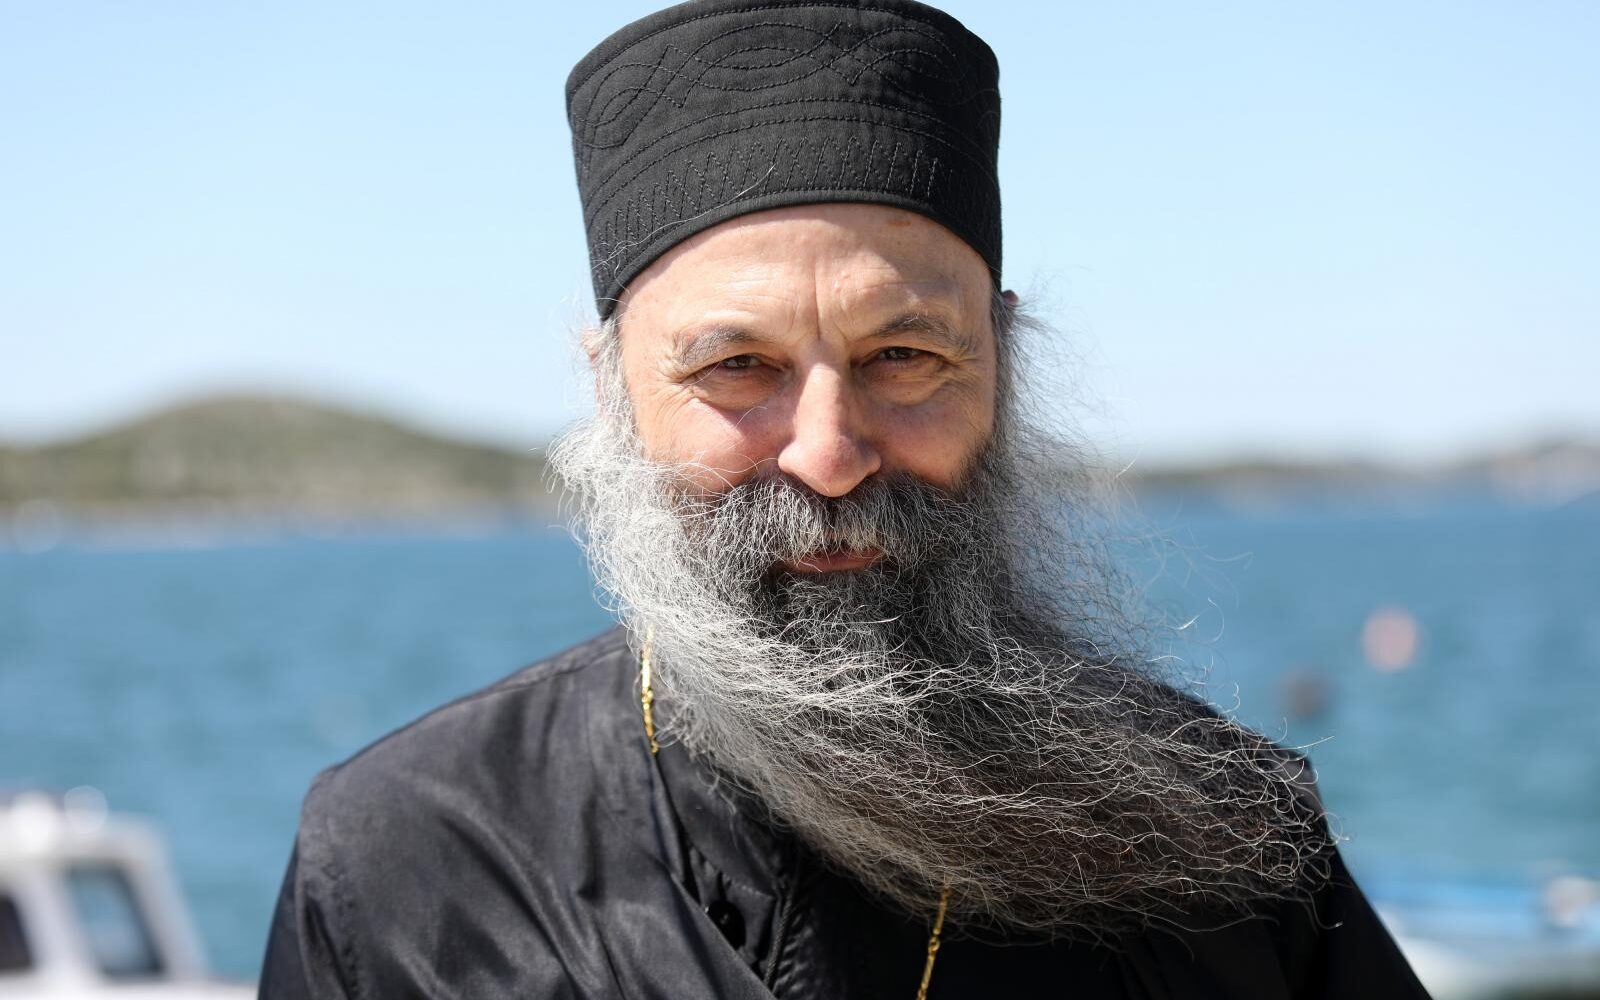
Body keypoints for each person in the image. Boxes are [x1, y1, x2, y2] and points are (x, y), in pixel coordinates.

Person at [259, 1, 1431, 997]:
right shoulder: (404, 861)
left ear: (1002, 365)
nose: (827, 454)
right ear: (613, 393)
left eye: (903, 357)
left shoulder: (1222, 837)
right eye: (737, 367)